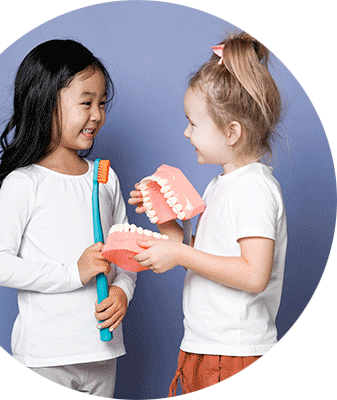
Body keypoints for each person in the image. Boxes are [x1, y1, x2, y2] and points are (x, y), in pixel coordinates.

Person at [129, 32, 287, 395]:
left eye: (194, 123)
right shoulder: (221, 184)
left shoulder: (254, 188)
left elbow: (253, 274)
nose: (186, 133)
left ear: (232, 132)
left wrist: (181, 252)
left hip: (233, 356)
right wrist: (173, 227)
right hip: (205, 346)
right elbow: (210, 257)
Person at [0, 39, 136, 397]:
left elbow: (125, 256)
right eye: (86, 103)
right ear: (45, 103)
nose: (97, 115)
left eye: (101, 104)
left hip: (102, 352)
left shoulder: (105, 178)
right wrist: (73, 272)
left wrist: (122, 290)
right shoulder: (24, 183)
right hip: (44, 357)